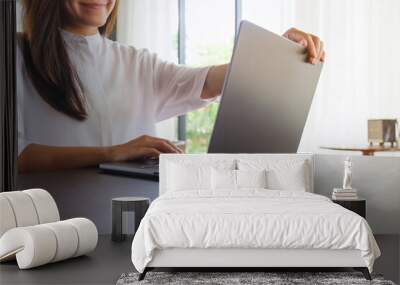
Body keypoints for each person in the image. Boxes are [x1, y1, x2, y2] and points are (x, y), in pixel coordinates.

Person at [17, 0, 325, 174]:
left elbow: (206, 82)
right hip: (50, 228)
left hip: (134, 227)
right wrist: (113, 153)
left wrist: (278, 52)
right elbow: (15, 156)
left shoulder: (135, 62)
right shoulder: (14, 56)